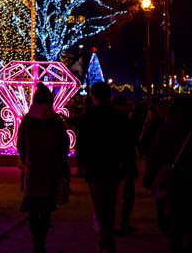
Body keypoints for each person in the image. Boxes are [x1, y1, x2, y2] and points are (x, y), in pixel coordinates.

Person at [143, 95, 192, 253]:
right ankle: (188, 244)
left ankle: (176, 246)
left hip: (173, 179)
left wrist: (149, 179)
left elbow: (154, 154)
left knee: (175, 217)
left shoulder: (166, 127)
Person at [76, 81, 134, 253]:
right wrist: (129, 164)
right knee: (111, 202)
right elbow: (128, 143)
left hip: (94, 166)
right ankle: (108, 236)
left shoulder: (87, 116)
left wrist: (82, 164)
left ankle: (106, 237)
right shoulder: (120, 117)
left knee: (99, 203)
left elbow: (81, 144)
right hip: (114, 165)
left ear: (93, 96)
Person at [17, 83, 70, 253]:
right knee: (46, 208)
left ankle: (35, 239)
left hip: (32, 170)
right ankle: (42, 240)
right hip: (51, 169)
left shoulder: (26, 120)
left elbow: (21, 146)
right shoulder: (56, 121)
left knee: (32, 208)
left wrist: (26, 160)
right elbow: (64, 146)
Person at [110, 94, 139, 235]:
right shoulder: (122, 119)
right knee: (124, 195)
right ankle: (121, 223)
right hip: (121, 163)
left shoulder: (109, 118)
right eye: (126, 103)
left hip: (114, 162)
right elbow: (128, 144)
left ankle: (119, 222)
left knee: (119, 196)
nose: (129, 106)